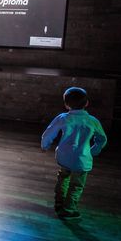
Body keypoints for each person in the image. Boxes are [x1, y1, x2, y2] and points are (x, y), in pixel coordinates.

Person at [41, 86, 107, 219]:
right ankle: (69, 210)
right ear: (87, 103)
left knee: (63, 178)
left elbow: (49, 133)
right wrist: (93, 150)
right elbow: (102, 139)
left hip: (64, 157)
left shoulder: (63, 118)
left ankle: (59, 203)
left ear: (66, 104)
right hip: (82, 159)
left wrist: (45, 145)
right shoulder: (93, 121)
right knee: (76, 185)